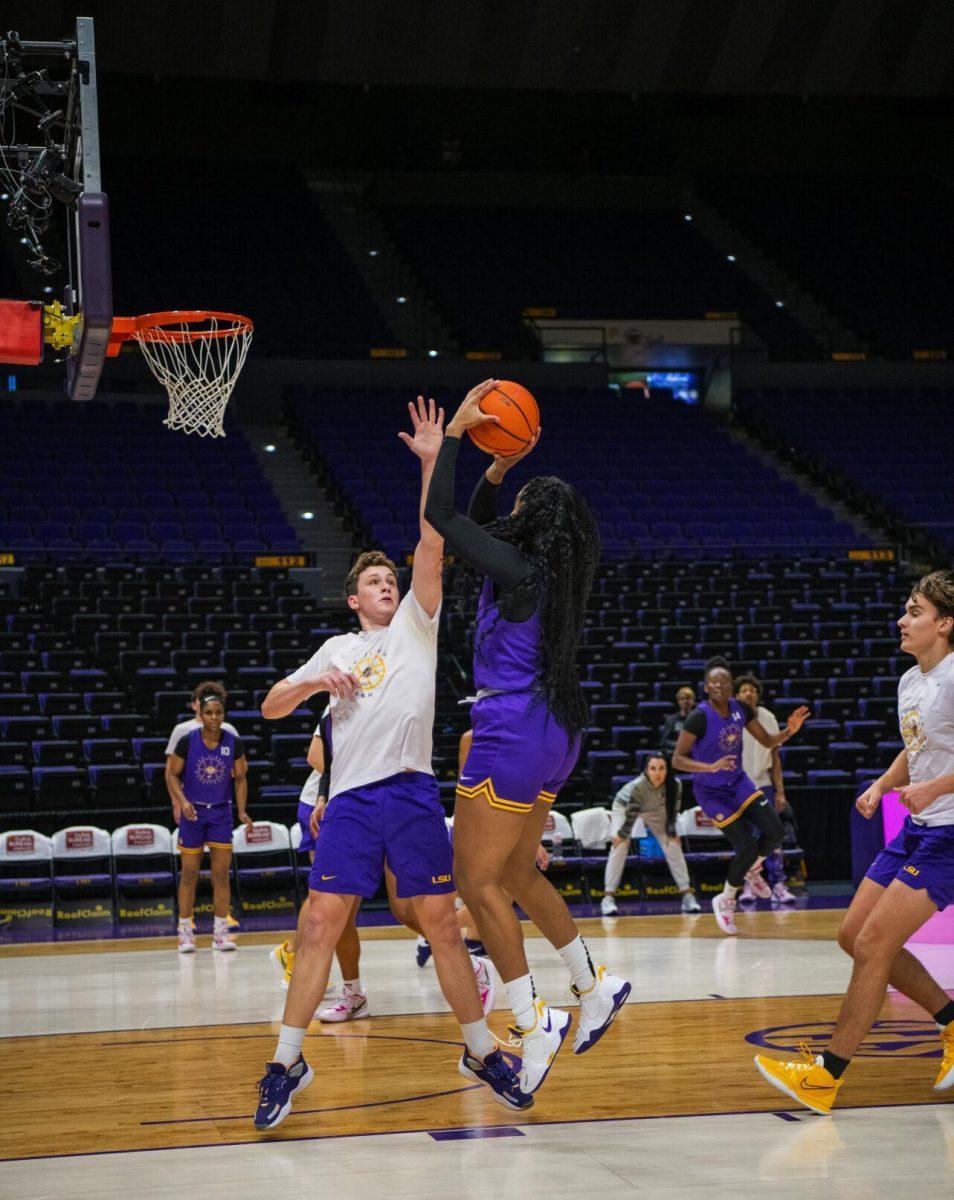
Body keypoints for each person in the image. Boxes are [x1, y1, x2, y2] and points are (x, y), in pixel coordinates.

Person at [252, 397, 527, 1131]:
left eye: (389, 580)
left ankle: (478, 1049)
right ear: (352, 599)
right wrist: (314, 681)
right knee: (318, 925)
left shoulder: (417, 624)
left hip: (408, 792)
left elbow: (432, 541)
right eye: (374, 583)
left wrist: (438, 459)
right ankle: (286, 1061)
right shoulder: (336, 650)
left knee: (439, 922)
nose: (387, 586)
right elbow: (273, 707)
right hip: (348, 803)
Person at [424, 378, 631, 1098]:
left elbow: (442, 513)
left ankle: (532, 1014)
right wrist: (499, 467)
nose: (506, 513)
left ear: (532, 524)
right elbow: (478, 518)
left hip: (511, 727)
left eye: (516, 506)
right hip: (554, 730)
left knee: (475, 879)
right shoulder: (541, 572)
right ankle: (591, 983)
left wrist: (455, 431)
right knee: (516, 873)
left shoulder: (518, 570)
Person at [754, 570, 954, 1114]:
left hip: (950, 835)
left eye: (914, 611)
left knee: (872, 947)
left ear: (944, 623)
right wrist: (884, 784)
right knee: (852, 935)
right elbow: (918, 747)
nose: (902, 619)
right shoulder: (911, 681)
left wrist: (934, 787)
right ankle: (952, 1024)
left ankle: (824, 1077)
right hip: (917, 828)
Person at [672, 656, 809, 936]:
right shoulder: (699, 717)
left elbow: (768, 742)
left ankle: (750, 867)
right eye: (714, 682)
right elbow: (677, 759)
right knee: (745, 846)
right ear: (707, 687)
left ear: (730, 684)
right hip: (711, 792)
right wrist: (708, 767)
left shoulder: (742, 710)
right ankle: (726, 900)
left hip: (738, 783)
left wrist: (788, 732)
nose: (719, 685)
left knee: (775, 831)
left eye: (724, 680)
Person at [165, 691, 251, 953]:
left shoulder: (233, 742)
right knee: (189, 873)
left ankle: (220, 932)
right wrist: (181, 801)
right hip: (193, 814)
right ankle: (185, 932)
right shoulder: (187, 741)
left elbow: (240, 777)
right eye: (209, 713)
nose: (214, 717)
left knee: (221, 875)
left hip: (221, 815)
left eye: (218, 713)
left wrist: (242, 811)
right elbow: (171, 774)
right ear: (200, 715)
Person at [601, 753, 700, 915]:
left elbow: (673, 810)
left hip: (656, 811)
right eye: (653, 769)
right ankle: (608, 898)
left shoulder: (676, 784)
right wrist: (622, 834)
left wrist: (672, 831)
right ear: (646, 770)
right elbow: (632, 813)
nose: (658, 773)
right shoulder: (639, 786)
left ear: (667, 769)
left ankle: (687, 896)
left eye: (661, 768)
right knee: (619, 846)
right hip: (624, 808)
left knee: (673, 845)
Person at [734, 674, 797, 905]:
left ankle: (778, 884)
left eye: (752, 690)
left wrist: (780, 791)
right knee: (746, 839)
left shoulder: (768, 717)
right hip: (739, 786)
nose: (748, 693)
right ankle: (750, 884)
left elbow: (775, 756)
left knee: (773, 836)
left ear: (757, 695)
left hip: (763, 784)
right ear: (737, 695)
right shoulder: (731, 719)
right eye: (744, 690)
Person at [659, 687, 696, 757]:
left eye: (688, 698)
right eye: (683, 698)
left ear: (693, 701)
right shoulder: (671, 720)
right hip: (676, 753)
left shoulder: (698, 719)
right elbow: (664, 741)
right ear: (678, 701)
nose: (686, 701)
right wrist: (678, 745)